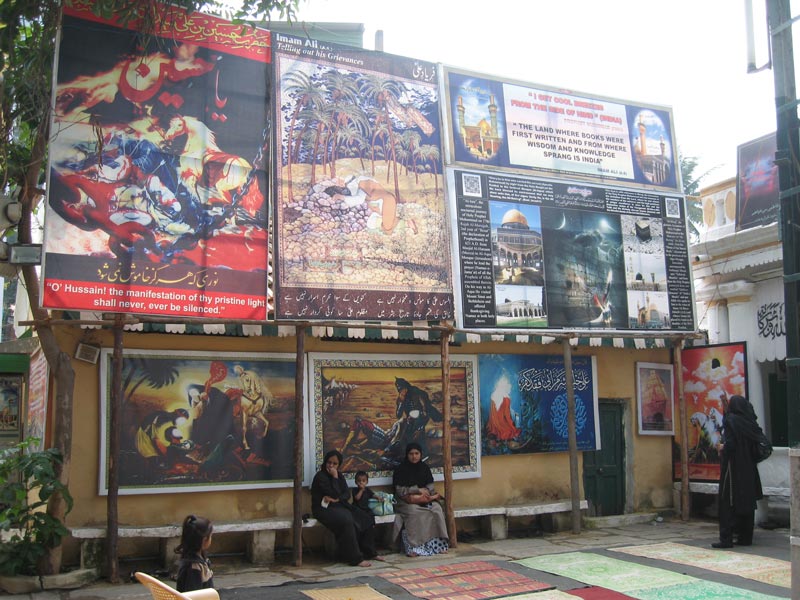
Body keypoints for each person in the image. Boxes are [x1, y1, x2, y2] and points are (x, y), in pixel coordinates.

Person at [310, 450, 381, 567]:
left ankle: (370, 552)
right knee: (346, 520)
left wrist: (337, 499)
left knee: (365, 517)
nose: (331, 466)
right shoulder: (320, 477)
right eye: (329, 463)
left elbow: (346, 494)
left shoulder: (339, 475)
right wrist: (334, 479)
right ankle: (355, 558)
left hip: (339, 505)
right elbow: (333, 492)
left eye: (335, 464)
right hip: (323, 509)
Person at [712, 394, 764, 548]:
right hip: (749, 468)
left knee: (727, 501)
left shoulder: (731, 421)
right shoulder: (750, 422)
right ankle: (745, 538)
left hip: (733, 467)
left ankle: (726, 539)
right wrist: (724, 403)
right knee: (747, 500)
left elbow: (731, 445)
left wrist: (722, 447)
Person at [392, 443, 449, 557]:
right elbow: (399, 490)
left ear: (421, 454)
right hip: (406, 501)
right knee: (414, 512)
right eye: (411, 454)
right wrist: (417, 490)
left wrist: (426, 495)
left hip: (425, 500)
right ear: (407, 455)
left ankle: (437, 546)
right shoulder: (400, 469)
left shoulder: (424, 468)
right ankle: (414, 548)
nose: (414, 456)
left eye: (417, 453)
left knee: (436, 509)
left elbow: (430, 487)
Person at [175, 514, 215, 593]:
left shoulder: (196, 559)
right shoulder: (194, 568)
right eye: (210, 536)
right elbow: (193, 595)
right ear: (204, 540)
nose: (211, 539)